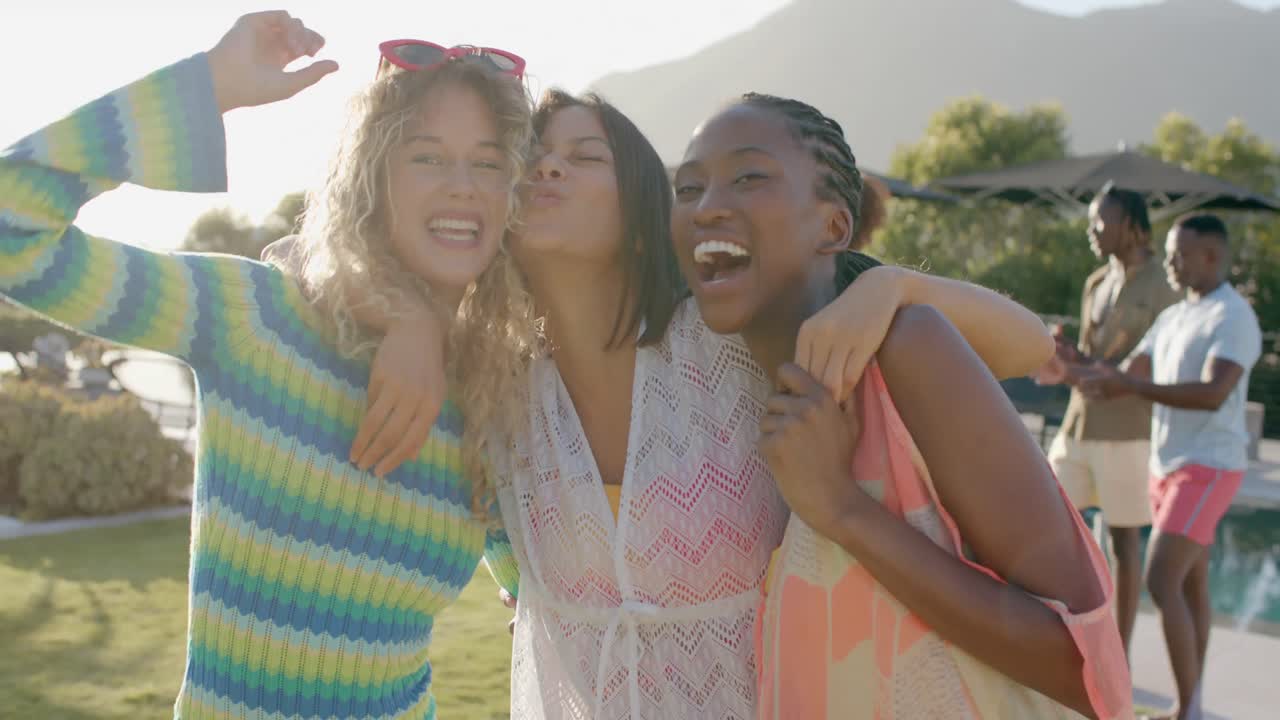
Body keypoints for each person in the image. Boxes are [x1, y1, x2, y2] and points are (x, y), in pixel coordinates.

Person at [300, 85, 1058, 717]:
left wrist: (894, 286)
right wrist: (407, 318)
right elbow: (299, 267)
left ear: (644, 210)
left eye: (583, 155)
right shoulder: (492, 383)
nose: (547, 169)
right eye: (529, 156)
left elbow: (1029, 347)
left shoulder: (738, 334)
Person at [0, 12, 534, 718]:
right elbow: (16, 235)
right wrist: (210, 85)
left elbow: (541, 589)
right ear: (373, 174)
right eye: (428, 155)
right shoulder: (253, 318)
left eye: (488, 161)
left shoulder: (493, 395)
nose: (463, 184)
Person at [670, 92, 1133, 719]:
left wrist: (841, 509)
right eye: (688, 188)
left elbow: (1083, 668)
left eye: (749, 177)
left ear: (834, 225)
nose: (707, 207)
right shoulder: (727, 387)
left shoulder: (907, 351)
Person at [1081, 213, 1262, 720]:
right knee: (1192, 584)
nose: (1170, 262)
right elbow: (1123, 374)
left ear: (1210, 256)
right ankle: (1192, 706)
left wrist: (1132, 388)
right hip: (1167, 463)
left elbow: (1212, 393)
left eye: (1180, 254)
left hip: (1208, 467)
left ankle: (1188, 711)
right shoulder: (1175, 317)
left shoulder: (1233, 317)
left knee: (1161, 579)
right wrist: (1068, 360)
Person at [1045, 182, 1182, 657]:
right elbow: (1090, 360)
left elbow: (1162, 365)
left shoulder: (1165, 287)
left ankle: (1115, 659)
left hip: (1129, 431)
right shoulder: (1094, 284)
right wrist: (1066, 355)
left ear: (1129, 225)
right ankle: (1065, 634)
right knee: (1050, 519)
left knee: (1124, 541)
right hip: (1077, 425)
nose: (1092, 230)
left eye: (1100, 221)